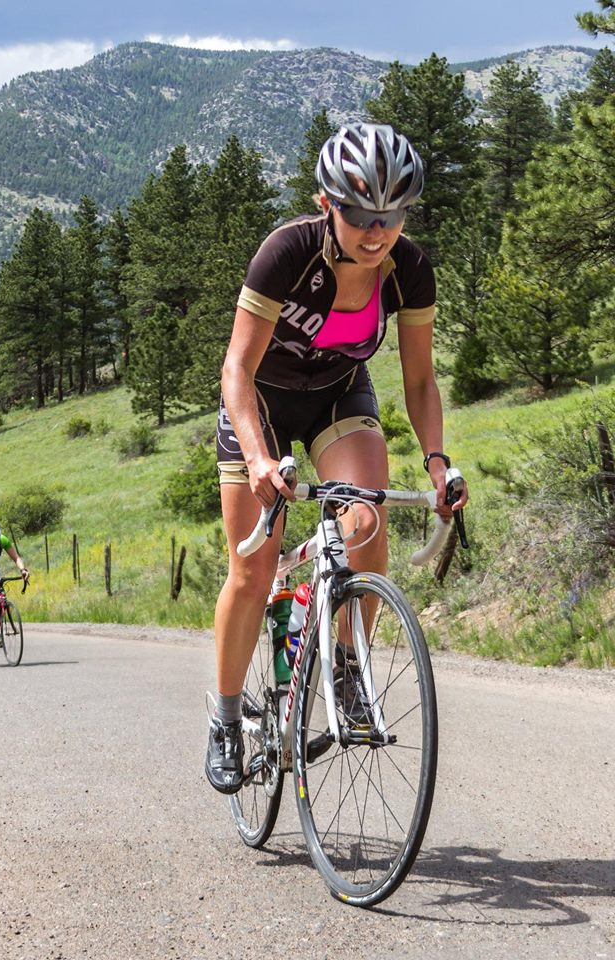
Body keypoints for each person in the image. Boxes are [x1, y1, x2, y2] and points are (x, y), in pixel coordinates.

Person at [206, 121, 469, 794]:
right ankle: (227, 718)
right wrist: (259, 460)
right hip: (260, 401)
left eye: (392, 216)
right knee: (253, 564)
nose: (376, 232)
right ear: (327, 204)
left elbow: (419, 381)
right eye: (359, 215)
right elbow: (236, 369)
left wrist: (437, 463)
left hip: (335, 395)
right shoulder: (287, 253)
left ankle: (347, 668)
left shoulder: (409, 270)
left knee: (367, 520)